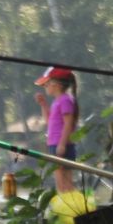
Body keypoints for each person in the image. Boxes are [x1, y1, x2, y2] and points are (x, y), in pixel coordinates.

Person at [34, 66, 80, 195]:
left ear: (57, 84)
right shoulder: (57, 102)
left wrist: (62, 144)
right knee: (59, 181)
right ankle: (65, 204)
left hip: (62, 145)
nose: (45, 87)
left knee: (65, 181)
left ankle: (70, 206)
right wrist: (43, 105)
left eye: (46, 84)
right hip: (54, 144)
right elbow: (49, 122)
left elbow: (68, 123)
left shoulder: (65, 100)